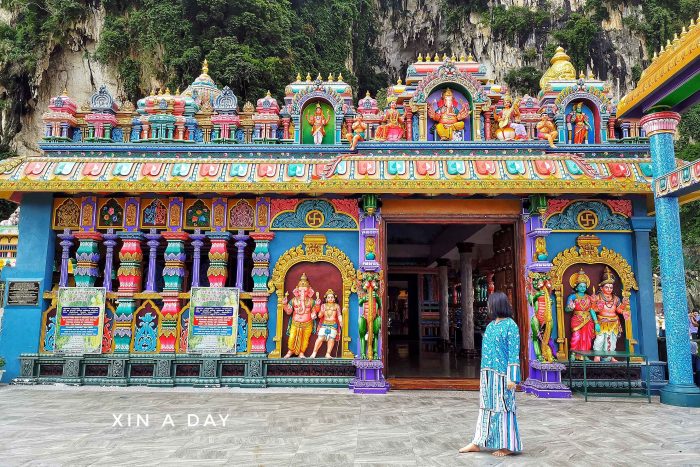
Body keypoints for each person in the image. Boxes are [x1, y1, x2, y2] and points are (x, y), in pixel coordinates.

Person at [460, 292, 522, 457]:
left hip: (503, 375)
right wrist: (483, 375)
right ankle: (478, 442)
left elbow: (513, 353)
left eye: (490, 304)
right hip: (488, 374)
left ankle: (507, 445)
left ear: (497, 305)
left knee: (504, 408)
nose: (488, 307)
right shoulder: (490, 326)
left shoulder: (511, 326)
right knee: (486, 407)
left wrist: (512, 377)